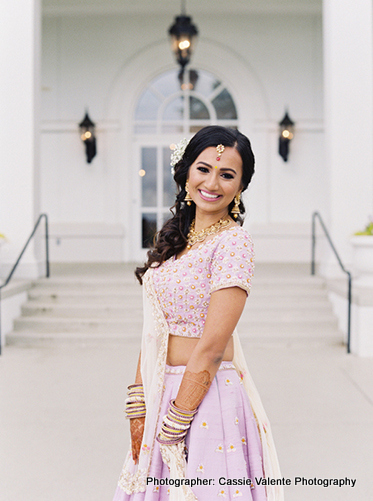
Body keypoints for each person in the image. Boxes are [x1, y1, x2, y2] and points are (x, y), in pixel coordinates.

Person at [113, 126, 283, 501]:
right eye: (203, 169)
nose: (212, 182)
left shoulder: (233, 242)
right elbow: (153, 327)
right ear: (186, 172)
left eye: (227, 174)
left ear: (241, 186)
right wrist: (139, 400)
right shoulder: (175, 240)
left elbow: (212, 345)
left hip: (207, 398)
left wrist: (177, 418)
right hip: (161, 388)